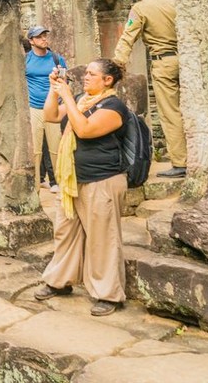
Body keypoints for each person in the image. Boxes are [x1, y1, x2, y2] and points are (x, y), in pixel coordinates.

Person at [34, 58, 130, 316]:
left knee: (102, 238)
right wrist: (54, 90)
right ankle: (59, 280)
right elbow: (51, 116)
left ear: (107, 80)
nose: (85, 77)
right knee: (66, 233)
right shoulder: (80, 100)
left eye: (91, 74)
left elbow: (85, 129)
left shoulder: (114, 107)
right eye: (85, 73)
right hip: (72, 181)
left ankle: (107, 293)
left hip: (102, 180)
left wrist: (67, 94)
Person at [112, 0, 185, 178]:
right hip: (186, 60)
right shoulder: (174, 3)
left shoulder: (139, 8)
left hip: (163, 63)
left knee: (171, 112)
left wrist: (117, 64)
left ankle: (181, 161)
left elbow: (128, 37)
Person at [24, 26, 65, 194]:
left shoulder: (56, 59)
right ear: (31, 41)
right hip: (33, 106)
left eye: (44, 36)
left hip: (53, 106)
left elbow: (64, 81)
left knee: (56, 147)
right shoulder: (25, 60)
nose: (43, 39)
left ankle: (59, 181)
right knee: (35, 149)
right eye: (39, 37)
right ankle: (34, 185)